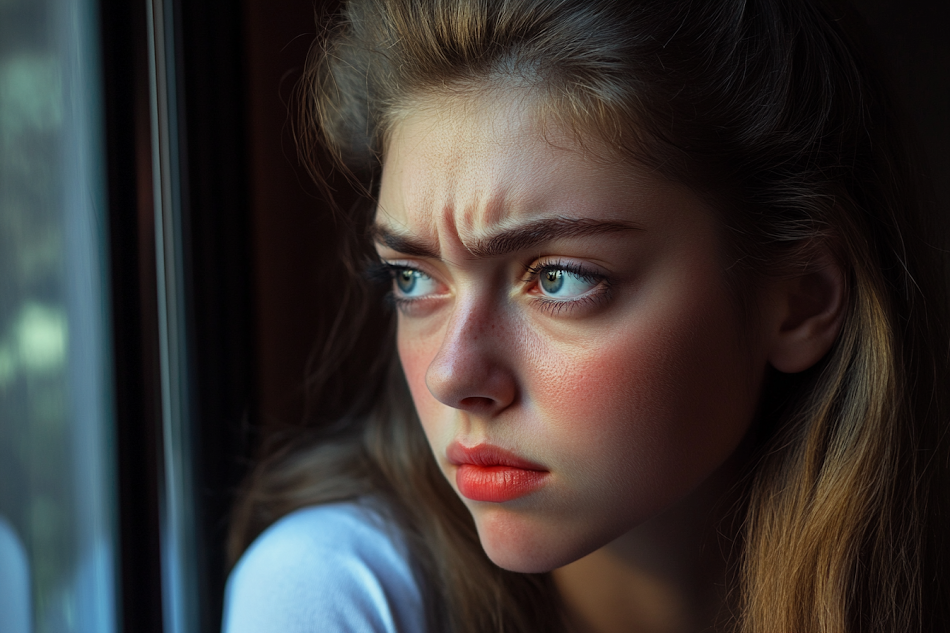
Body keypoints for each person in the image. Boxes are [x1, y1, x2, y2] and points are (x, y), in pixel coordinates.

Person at [222, 0, 950, 631]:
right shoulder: (337, 591)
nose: (454, 375)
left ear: (800, 300)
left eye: (559, 277)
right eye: (412, 277)